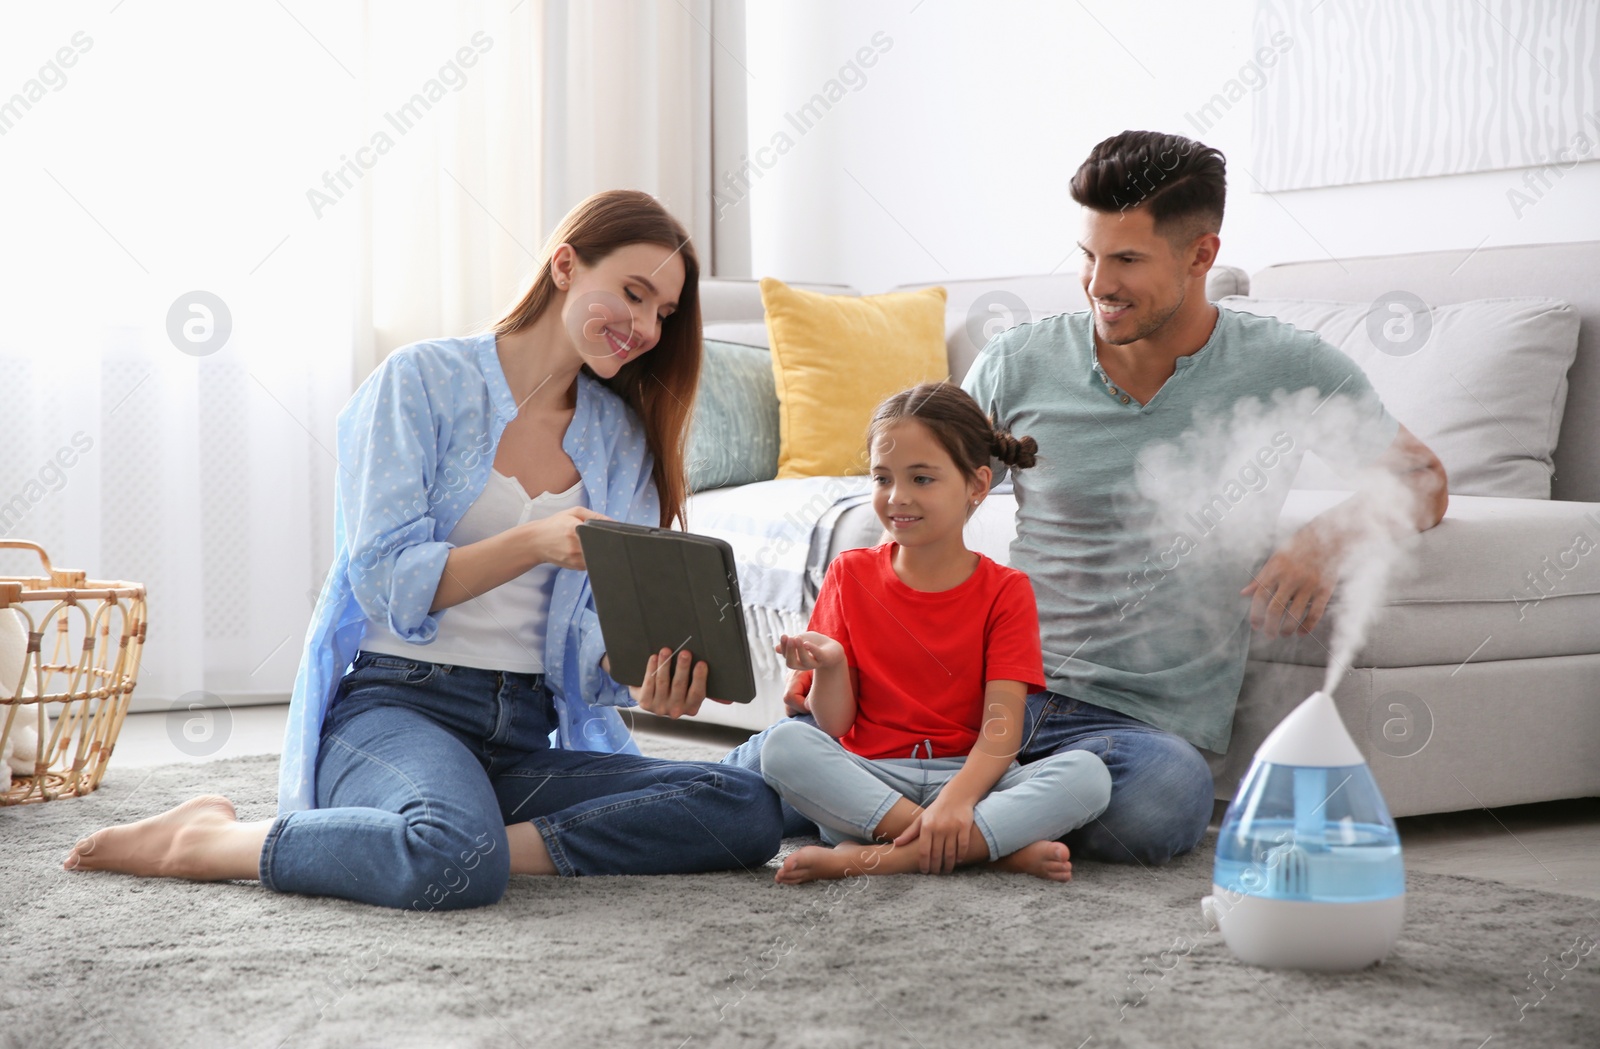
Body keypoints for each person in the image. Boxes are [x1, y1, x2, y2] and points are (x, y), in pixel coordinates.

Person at [727, 130, 1448, 866]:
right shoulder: (1022, 362)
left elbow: (1421, 479)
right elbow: (924, 500)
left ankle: (885, 823)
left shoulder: (1287, 368)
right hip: (985, 699)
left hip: (1135, 729)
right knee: (766, 759)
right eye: (1088, 255)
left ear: (1202, 255)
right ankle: (985, 831)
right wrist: (839, 648)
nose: (1099, 282)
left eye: (1128, 259)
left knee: (1165, 805)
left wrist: (1324, 539)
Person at [64, 190, 782, 909]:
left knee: (746, 804)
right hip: (397, 708)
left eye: (662, 313)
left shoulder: (622, 439)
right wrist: (532, 541)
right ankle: (205, 841)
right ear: (565, 264)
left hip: (524, 727)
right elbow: (382, 576)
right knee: (455, 862)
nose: (647, 327)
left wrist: (646, 675)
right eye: (633, 293)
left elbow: (592, 640)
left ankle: (479, 839)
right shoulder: (422, 382)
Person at [758, 382, 1112, 884]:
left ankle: (877, 857)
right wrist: (832, 665)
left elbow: (1001, 733)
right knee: (785, 747)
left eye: (922, 478)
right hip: (873, 775)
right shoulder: (849, 573)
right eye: (883, 478)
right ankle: (990, 851)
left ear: (976, 485)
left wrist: (958, 800)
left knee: (1088, 776)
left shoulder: (1007, 591)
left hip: (972, 780)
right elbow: (834, 727)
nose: (897, 497)